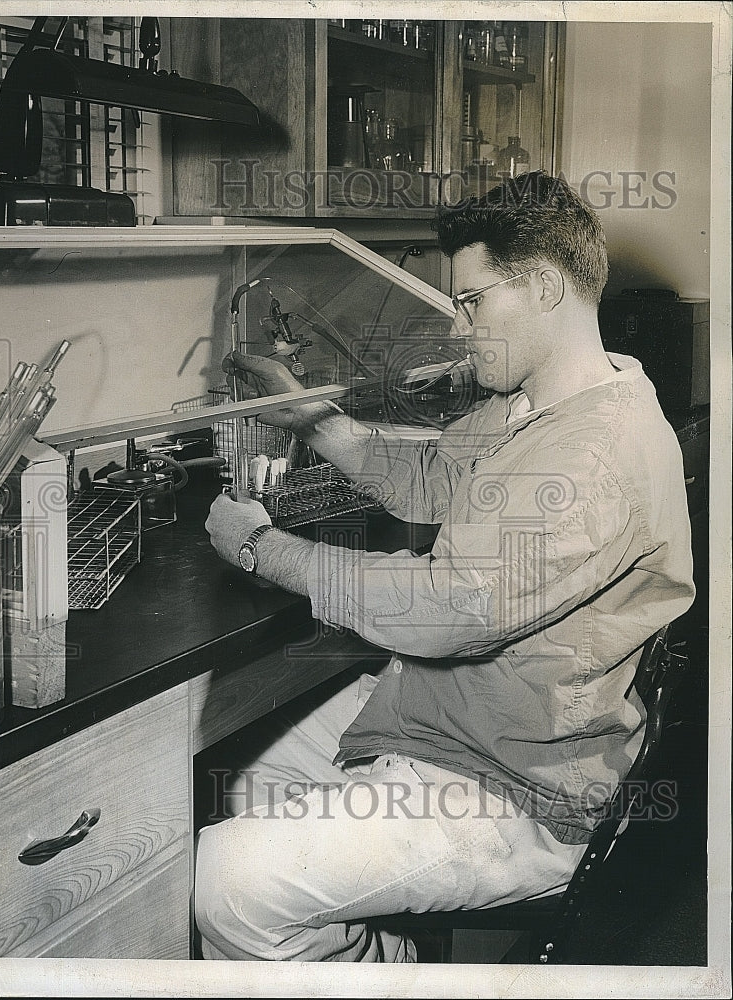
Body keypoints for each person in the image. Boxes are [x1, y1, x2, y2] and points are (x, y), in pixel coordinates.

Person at [197, 170, 695, 962]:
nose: (461, 328)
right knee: (231, 778)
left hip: (523, 782)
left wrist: (262, 548)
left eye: (472, 301)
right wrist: (315, 419)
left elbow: (449, 609)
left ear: (542, 288)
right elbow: (433, 475)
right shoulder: (537, 402)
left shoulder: (598, 452)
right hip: (458, 718)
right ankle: (381, 954)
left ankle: (380, 965)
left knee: (225, 878)